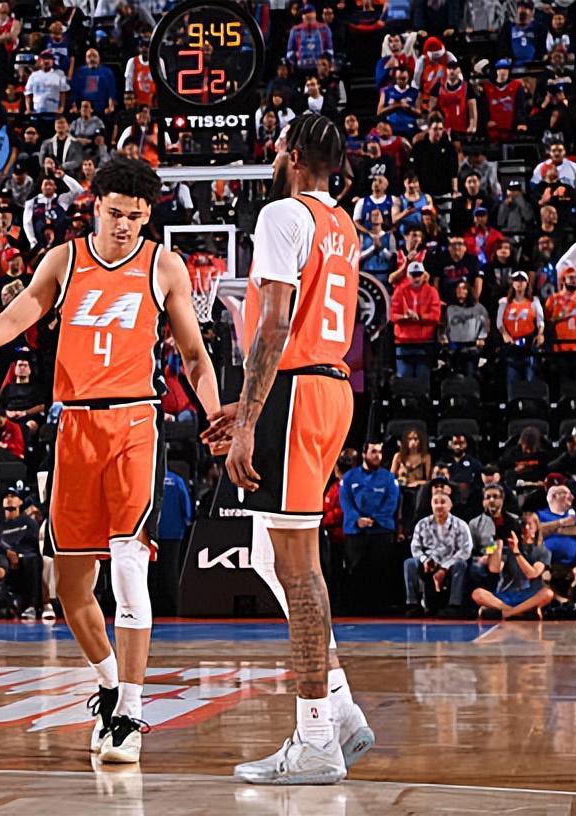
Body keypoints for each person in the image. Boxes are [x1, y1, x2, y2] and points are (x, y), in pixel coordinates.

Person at [0, 156, 222, 764]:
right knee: (70, 589)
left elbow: (193, 356)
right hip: (75, 429)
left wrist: (216, 413)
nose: (124, 225)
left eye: (135, 217)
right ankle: (110, 688)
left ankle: (131, 714)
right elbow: (12, 320)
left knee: (129, 569)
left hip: (135, 423)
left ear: (147, 215)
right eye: (115, 214)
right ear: (95, 206)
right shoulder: (64, 261)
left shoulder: (163, 265)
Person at [201, 114, 372, 785]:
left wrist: (249, 421)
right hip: (326, 389)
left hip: (298, 392)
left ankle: (317, 740)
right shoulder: (344, 225)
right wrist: (250, 407)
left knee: (298, 571)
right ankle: (341, 709)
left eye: (277, 150)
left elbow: (273, 324)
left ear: (293, 156)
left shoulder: (282, 213)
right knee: (274, 558)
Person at [339, 441, 400, 615]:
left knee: (380, 571)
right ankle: (355, 609)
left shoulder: (389, 478)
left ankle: (380, 609)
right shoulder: (349, 478)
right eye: (373, 452)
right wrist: (357, 519)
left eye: (380, 452)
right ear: (364, 454)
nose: (377, 456)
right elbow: (345, 502)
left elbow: (391, 502)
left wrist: (374, 519)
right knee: (355, 571)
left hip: (381, 531)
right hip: (356, 531)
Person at [471, 512, 554, 620]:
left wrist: (516, 552)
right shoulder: (507, 547)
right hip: (507, 595)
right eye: (523, 524)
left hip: (529, 596)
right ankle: (517, 612)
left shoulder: (543, 551)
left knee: (548, 593)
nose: (526, 528)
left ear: (536, 528)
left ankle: (505, 612)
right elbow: (494, 569)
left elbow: (532, 574)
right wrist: (498, 544)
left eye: (530, 525)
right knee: (477, 593)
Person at [404, 493, 473, 615]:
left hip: (451, 561)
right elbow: (415, 548)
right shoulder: (422, 524)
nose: (439, 506)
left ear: (450, 506)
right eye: (435, 502)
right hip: (429, 560)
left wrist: (444, 567)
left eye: (443, 502)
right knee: (409, 563)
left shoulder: (461, 525)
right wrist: (425, 560)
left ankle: (454, 605)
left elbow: (465, 550)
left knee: (461, 564)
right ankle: (413, 604)